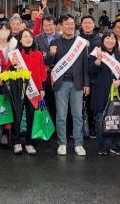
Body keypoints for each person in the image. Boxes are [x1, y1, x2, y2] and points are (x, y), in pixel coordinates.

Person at [45, 14, 90, 157]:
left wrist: (86, 84)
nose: (70, 26)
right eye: (67, 24)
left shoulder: (80, 43)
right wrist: (51, 55)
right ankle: (62, 143)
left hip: (77, 84)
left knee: (77, 115)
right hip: (61, 83)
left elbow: (85, 65)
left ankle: (78, 143)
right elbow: (47, 62)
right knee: (61, 115)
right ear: (61, 26)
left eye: (72, 23)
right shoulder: (55, 42)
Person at [8, 29, 46, 155]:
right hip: (18, 89)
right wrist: (12, 66)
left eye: (30, 36)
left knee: (31, 116)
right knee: (17, 115)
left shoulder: (39, 54)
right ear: (20, 40)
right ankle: (16, 141)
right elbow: (8, 72)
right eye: (25, 37)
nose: (28, 39)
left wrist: (41, 89)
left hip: (34, 90)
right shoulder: (14, 54)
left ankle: (29, 142)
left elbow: (41, 74)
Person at [91, 32, 120, 156]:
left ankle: (115, 145)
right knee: (101, 118)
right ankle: (102, 146)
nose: (110, 40)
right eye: (107, 38)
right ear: (103, 40)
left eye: (113, 38)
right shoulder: (96, 52)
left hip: (117, 90)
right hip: (101, 90)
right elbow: (91, 71)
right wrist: (98, 61)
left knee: (116, 117)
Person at [79, 15, 101, 139]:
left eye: (90, 23)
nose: (87, 25)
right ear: (81, 25)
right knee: (80, 104)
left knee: (93, 104)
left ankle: (92, 126)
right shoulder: (76, 39)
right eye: (85, 23)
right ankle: (80, 127)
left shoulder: (100, 40)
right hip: (80, 76)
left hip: (95, 77)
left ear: (94, 24)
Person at [34, 16, 60, 121]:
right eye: (45, 25)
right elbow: (38, 57)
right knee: (44, 101)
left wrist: (45, 55)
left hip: (58, 74)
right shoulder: (37, 38)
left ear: (55, 25)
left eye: (50, 25)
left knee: (56, 102)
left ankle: (56, 128)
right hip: (43, 75)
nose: (48, 27)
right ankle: (45, 125)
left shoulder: (61, 37)